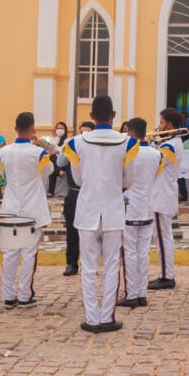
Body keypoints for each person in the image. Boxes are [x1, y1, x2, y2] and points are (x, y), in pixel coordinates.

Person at [62, 95, 138, 333]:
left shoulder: (76, 143)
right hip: (114, 210)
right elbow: (129, 179)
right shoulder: (128, 142)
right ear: (113, 115)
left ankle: (92, 318)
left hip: (87, 210)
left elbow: (77, 179)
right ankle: (107, 317)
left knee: (88, 266)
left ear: (91, 116)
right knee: (112, 264)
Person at [0, 112, 53, 309]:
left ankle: (8, 295)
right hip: (32, 208)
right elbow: (47, 172)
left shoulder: (3, 152)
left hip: (11, 206)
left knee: (10, 253)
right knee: (29, 254)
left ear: (15, 128)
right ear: (33, 128)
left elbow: (0, 174)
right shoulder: (39, 153)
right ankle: (25, 295)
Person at [117, 117, 160, 309]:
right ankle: (141, 292)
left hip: (129, 206)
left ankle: (132, 294)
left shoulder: (128, 153)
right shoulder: (156, 153)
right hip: (147, 205)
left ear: (131, 132)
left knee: (129, 252)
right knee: (143, 252)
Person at [148, 107, 185, 290]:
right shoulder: (171, 143)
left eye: (162, 123)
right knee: (163, 237)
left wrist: (148, 145)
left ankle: (166, 276)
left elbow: (153, 165)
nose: (159, 126)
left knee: (162, 238)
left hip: (161, 195)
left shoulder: (169, 145)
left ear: (169, 125)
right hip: (164, 194)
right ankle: (165, 274)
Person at [59, 121, 93, 276]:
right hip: (73, 193)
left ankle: (88, 263)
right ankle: (71, 263)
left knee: (90, 231)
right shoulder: (72, 146)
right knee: (72, 230)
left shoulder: (95, 150)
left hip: (90, 193)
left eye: (87, 132)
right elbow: (60, 162)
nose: (83, 135)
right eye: (81, 132)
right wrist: (66, 149)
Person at [46, 122, 68, 197]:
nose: (59, 130)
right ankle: (59, 171)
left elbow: (67, 151)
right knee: (52, 157)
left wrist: (58, 151)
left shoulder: (67, 140)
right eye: (58, 128)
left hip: (64, 162)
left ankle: (51, 192)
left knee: (54, 162)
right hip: (55, 161)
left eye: (61, 128)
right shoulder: (53, 140)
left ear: (65, 130)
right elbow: (49, 150)